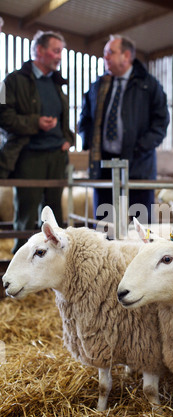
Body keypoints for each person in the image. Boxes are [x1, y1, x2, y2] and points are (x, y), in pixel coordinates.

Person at [78, 34, 169, 224]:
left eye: (110, 52)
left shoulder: (148, 85)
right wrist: (88, 140)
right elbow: (84, 117)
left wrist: (140, 147)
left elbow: (161, 122)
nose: (106, 58)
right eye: (104, 54)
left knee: (141, 225)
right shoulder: (98, 86)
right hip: (103, 166)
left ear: (126, 56)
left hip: (138, 165)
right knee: (105, 226)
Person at [0, 30, 74, 253]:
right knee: (27, 213)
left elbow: (64, 120)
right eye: (55, 50)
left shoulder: (58, 83)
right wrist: (35, 122)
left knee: (55, 215)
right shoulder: (11, 81)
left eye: (61, 51)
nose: (59, 56)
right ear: (39, 50)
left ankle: (55, 263)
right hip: (28, 155)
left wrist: (67, 139)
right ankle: (20, 260)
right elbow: (2, 115)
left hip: (56, 157)